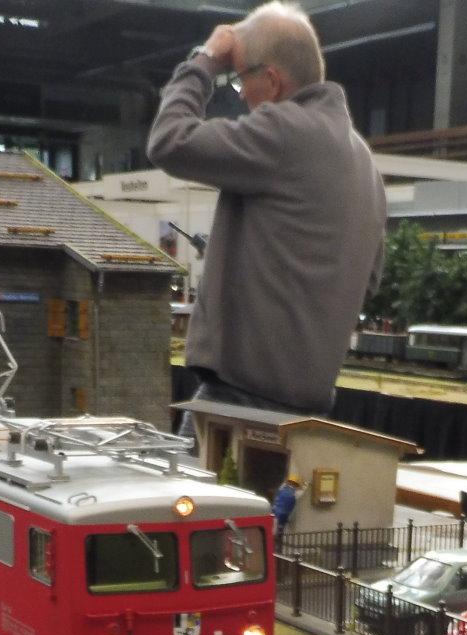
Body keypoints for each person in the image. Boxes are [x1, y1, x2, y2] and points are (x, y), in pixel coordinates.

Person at [148, 1, 386, 418]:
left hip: (241, 399)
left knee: (196, 485)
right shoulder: (365, 163)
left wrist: (202, 63)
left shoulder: (284, 131)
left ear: (272, 81)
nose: (241, 98)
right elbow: (367, 281)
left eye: (240, 82)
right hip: (308, 407)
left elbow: (169, 140)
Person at [272, 473, 300, 543]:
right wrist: (306, 486)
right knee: (282, 531)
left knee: (273, 530)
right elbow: (302, 492)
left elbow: (283, 485)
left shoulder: (281, 489)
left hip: (275, 512)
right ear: (296, 485)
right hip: (285, 515)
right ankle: (278, 543)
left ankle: (273, 542)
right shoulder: (295, 493)